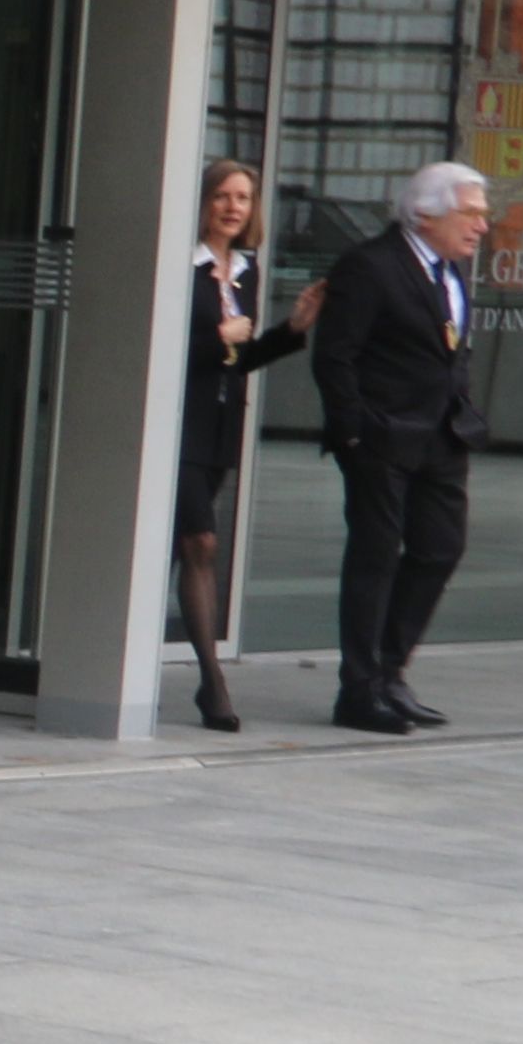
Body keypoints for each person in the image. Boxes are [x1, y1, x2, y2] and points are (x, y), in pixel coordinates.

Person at [308, 161, 491, 732]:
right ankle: (359, 691)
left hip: (442, 436)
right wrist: (354, 433)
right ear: (425, 212)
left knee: (441, 548)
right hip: (381, 438)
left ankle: (390, 671)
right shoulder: (370, 267)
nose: (481, 226)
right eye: (471, 212)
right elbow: (334, 356)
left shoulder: (449, 271)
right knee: (376, 557)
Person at [174, 158, 318, 733]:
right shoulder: (182, 265)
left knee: (187, 550)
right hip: (176, 424)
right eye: (222, 196)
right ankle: (214, 683)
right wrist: (217, 336)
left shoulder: (244, 272)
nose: (233, 207)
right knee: (201, 543)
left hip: (219, 429)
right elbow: (167, 347)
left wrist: (291, 331)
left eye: (243, 198)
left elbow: (240, 362)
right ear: (203, 201)